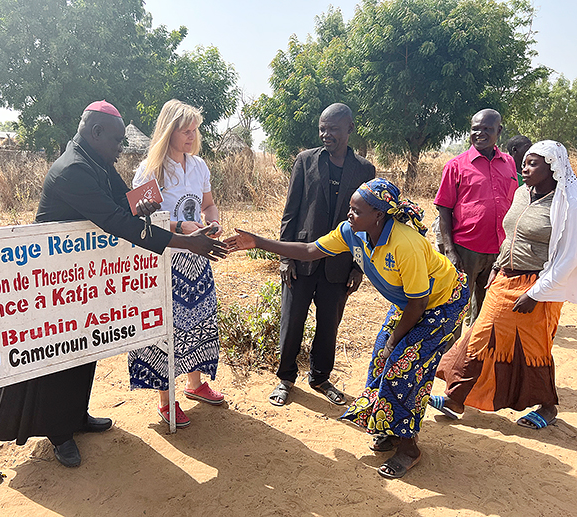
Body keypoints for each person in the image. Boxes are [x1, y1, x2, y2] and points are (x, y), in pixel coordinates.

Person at [0, 100, 227, 467]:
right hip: (52, 279)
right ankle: (59, 433)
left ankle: (75, 416)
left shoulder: (96, 161)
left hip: (83, 276)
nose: (121, 149)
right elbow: (120, 222)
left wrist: (149, 205)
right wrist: (185, 239)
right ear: (96, 133)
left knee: (83, 350)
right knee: (57, 355)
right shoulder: (73, 170)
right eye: (117, 141)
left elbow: (127, 202)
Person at [225, 178, 469, 479]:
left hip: (442, 303)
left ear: (378, 214)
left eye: (356, 210)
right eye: (349, 209)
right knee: (381, 357)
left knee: (403, 367)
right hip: (411, 302)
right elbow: (310, 249)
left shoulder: (406, 244)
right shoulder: (352, 233)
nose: (349, 215)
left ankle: (409, 448)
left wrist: (396, 338)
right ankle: (390, 430)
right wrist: (258, 242)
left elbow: (418, 305)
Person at [432, 140, 577, 429]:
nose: (524, 166)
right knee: (480, 334)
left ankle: (547, 406)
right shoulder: (523, 193)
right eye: (525, 161)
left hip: (537, 284)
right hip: (503, 277)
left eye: (533, 163)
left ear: (553, 168)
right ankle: (456, 397)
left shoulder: (567, 202)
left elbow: (569, 255)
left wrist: (537, 293)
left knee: (534, 346)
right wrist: (498, 268)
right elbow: (510, 236)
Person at [270, 103, 375, 407]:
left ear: (349, 129)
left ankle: (320, 377)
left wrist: (359, 267)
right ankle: (285, 378)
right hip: (302, 258)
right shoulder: (305, 161)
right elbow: (290, 212)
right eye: (322, 128)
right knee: (292, 322)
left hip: (340, 263)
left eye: (333, 129)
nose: (326, 134)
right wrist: (285, 257)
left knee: (329, 324)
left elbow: (367, 222)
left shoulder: (364, 169)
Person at [128, 100, 224, 428]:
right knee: (166, 326)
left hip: (197, 257)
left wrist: (213, 222)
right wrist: (179, 227)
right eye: (186, 130)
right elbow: (140, 219)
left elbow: (209, 205)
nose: (192, 136)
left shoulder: (199, 166)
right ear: (169, 132)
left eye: (195, 130)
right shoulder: (149, 170)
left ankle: (195, 384)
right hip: (164, 261)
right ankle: (166, 402)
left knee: (198, 319)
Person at [435, 109, 517, 333]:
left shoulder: (509, 163)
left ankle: (473, 360)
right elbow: (444, 209)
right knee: (455, 308)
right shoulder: (456, 165)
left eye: (487, 129)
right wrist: (450, 250)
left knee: (486, 311)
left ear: (498, 131)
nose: (479, 133)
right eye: (475, 129)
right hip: (465, 250)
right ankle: (448, 362)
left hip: (499, 251)